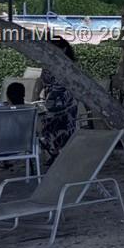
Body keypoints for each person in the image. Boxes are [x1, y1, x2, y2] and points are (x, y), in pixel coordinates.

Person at [38, 36, 80, 165]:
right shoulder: (48, 64)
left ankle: (64, 155)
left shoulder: (69, 65)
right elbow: (42, 83)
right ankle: (54, 153)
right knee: (48, 129)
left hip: (66, 101)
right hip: (50, 101)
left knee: (65, 128)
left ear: (64, 49)